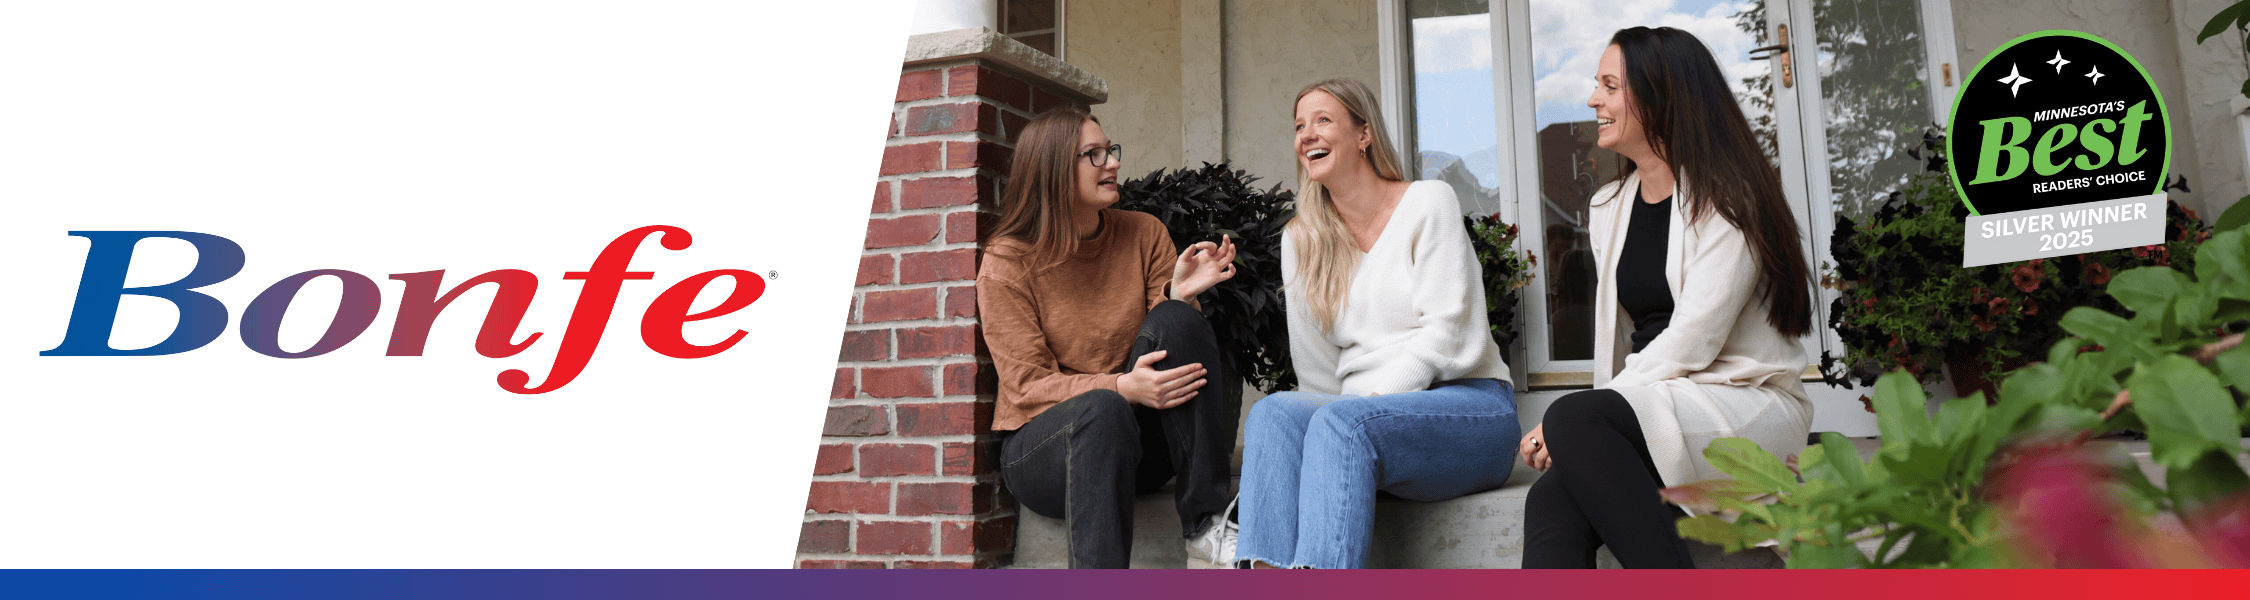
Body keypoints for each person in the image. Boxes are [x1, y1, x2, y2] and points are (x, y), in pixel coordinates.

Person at [1519, 26, 1816, 569]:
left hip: (1742, 401)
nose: (1593, 100)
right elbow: (1622, 342)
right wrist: (1587, 419)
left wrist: (1579, 416)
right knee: (1551, 497)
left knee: (1574, 419)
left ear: (1660, 96)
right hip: (1657, 401)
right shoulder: (1610, 203)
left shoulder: (1730, 198)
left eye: (1610, 86)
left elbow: (1693, 340)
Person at [1233, 78, 1519, 569]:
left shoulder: (1429, 202)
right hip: (1361, 423)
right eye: (1299, 126)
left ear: (1364, 134)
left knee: (1342, 423)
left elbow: (1445, 330)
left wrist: (1364, 410)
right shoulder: (1303, 238)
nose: (1306, 134)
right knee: (1273, 413)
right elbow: (1316, 368)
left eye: (1323, 120)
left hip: (1470, 409)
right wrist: (1344, 428)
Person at [978, 106, 1242, 569]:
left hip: (1138, 443)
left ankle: (1206, 526)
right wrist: (1120, 387)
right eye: (1093, 155)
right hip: (1046, 455)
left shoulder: (1144, 233)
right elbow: (1026, 386)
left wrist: (1178, 294)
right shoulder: (1008, 261)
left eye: (1110, 151)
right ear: (1055, 170)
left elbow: (1164, 343)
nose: (1113, 163)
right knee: (1103, 408)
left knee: (1178, 319)